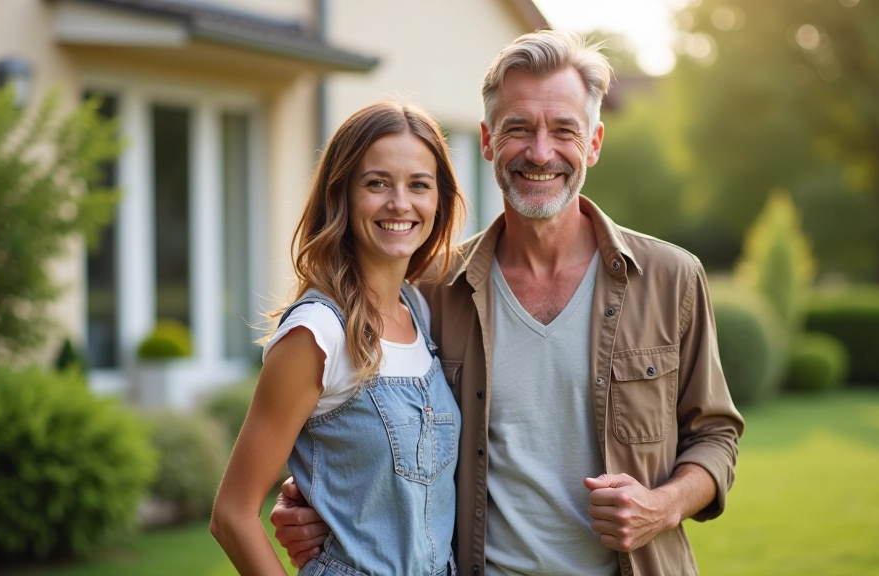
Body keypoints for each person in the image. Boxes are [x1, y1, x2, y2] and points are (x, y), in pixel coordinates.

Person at [271, 30, 744, 576]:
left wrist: (663, 505)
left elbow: (715, 435)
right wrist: (314, 498)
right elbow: (372, 426)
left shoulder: (670, 278)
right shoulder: (432, 290)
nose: (540, 153)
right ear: (488, 140)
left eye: (563, 130)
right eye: (518, 128)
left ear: (593, 143)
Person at [210, 101, 466, 575]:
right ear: (341, 195)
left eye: (418, 185)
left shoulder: (420, 310)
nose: (400, 203)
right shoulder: (317, 332)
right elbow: (232, 514)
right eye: (377, 183)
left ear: (439, 201)